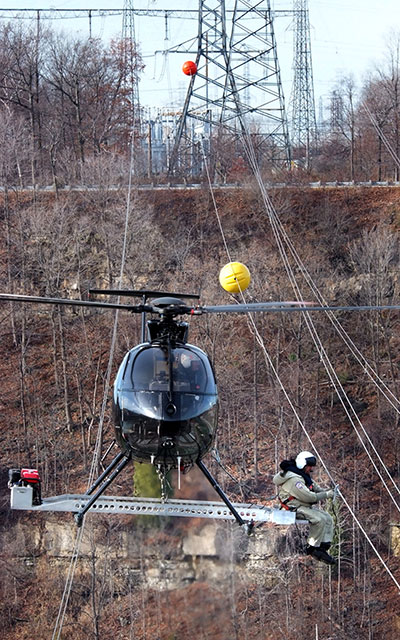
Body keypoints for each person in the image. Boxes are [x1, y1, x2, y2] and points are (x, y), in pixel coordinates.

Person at [273, 450, 336, 565]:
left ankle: (323, 546)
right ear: (303, 465)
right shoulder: (295, 480)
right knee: (318, 519)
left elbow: (314, 487)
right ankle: (312, 548)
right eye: (309, 466)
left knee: (327, 518)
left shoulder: (303, 476)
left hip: (302, 505)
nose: (310, 469)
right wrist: (326, 495)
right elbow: (309, 497)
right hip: (292, 507)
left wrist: (327, 491)